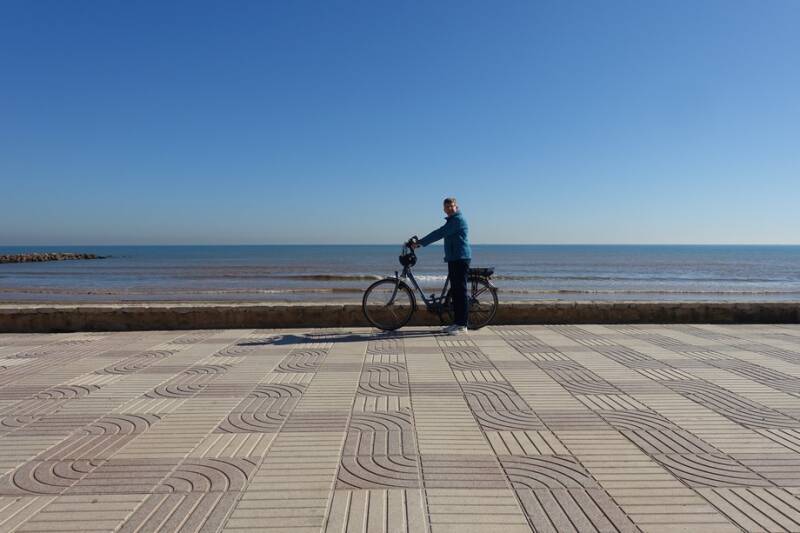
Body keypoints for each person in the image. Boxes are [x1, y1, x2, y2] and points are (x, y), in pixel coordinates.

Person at [410, 197, 472, 335]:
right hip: (454, 258)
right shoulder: (451, 221)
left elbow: (439, 233)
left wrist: (420, 243)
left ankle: (463, 325)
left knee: (460, 292)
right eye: (447, 206)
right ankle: (457, 323)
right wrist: (420, 243)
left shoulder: (457, 220)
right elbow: (440, 232)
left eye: (451, 206)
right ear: (444, 209)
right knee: (455, 292)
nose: (449, 208)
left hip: (461, 258)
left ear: (456, 207)